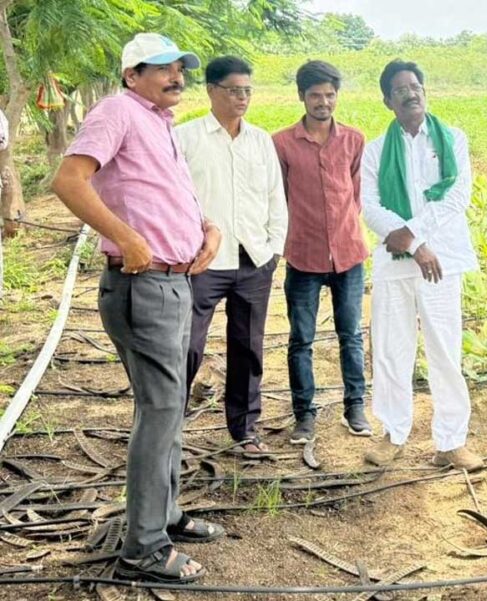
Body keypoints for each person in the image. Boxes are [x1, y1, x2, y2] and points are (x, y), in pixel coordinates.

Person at [52, 33, 224, 584]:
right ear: (132, 74)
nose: (177, 76)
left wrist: (206, 229)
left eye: (181, 68)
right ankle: (143, 550)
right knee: (159, 411)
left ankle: (165, 516)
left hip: (173, 283)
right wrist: (126, 238)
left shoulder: (157, 121)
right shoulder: (117, 111)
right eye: (163, 69)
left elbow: (158, 192)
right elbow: (68, 181)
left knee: (170, 406)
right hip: (142, 286)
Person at [361, 59, 482, 471]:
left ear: (424, 91)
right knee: (392, 350)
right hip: (395, 265)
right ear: (387, 101)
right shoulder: (376, 150)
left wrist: (413, 239)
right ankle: (393, 435)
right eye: (400, 90)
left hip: (441, 261)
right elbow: (369, 206)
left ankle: (451, 442)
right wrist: (413, 246)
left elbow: (455, 198)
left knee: (445, 350)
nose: (411, 93)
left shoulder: (453, 140)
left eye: (415, 86)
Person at [176, 56, 287, 454]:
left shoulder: (260, 140)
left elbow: (276, 197)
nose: (242, 98)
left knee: (248, 348)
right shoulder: (186, 138)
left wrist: (273, 249)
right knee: (186, 345)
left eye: (247, 91)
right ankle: (169, 427)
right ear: (210, 90)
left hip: (254, 261)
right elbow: (174, 200)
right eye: (233, 90)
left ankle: (245, 431)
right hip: (202, 263)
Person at [272, 60, 370, 444]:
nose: (323, 102)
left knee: (351, 335)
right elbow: (278, 197)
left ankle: (355, 407)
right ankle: (305, 416)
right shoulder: (281, 143)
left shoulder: (353, 140)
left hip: (348, 254)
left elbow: (357, 193)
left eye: (330, 95)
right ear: (301, 96)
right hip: (303, 256)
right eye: (315, 95)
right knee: (301, 339)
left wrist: (343, 230)